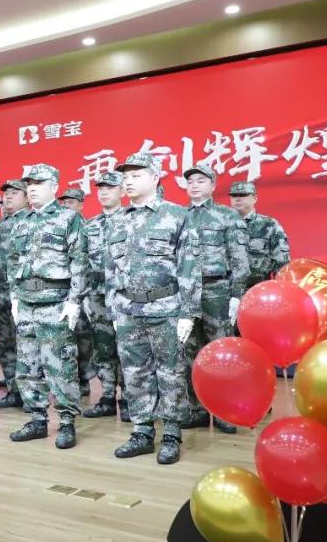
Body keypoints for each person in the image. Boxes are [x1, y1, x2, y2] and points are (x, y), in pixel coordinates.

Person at [108, 153, 201, 465]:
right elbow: (110, 268)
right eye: (125, 176)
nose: (128, 181)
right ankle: (142, 432)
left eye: (136, 175)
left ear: (155, 178)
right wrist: (113, 307)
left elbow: (189, 266)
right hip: (128, 310)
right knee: (134, 373)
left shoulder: (176, 215)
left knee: (170, 372)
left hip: (165, 308)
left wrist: (188, 312)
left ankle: (172, 433)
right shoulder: (117, 220)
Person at [6, 165, 87, 449]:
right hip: (27, 301)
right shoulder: (21, 221)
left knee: (60, 365)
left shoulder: (68, 218)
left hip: (55, 301)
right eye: (29, 183)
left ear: (54, 186)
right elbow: (13, 259)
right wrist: (15, 296)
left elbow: (80, 260)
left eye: (38, 183)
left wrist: (74, 301)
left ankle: (66, 421)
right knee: (27, 364)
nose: (32, 188)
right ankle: (37, 419)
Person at [181, 164, 250, 435]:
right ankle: (196, 410)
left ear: (213, 185)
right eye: (190, 181)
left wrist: (235, 296)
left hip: (216, 290)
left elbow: (240, 261)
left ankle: (224, 411)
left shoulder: (227, 216)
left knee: (221, 354)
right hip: (186, 294)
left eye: (201, 180)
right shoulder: (178, 216)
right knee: (189, 352)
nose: (194, 185)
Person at [81, 172, 127, 421]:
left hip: (124, 297)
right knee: (103, 347)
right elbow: (82, 262)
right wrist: (84, 295)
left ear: (122, 191)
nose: (104, 192)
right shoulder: (90, 225)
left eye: (110, 187)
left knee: (128, 348)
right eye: (101, 188)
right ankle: (108, 397)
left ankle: (129, 399)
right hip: (97, 295)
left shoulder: (131, 220)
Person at [0, 179, 29, 409]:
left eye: (15, 192)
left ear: (27, 197)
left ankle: (32, 394)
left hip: (23, 296)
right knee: (5, 343)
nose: (8, 196)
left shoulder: (32, 222)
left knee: (27, 345)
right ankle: (14, 390)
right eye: (6, 193)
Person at [58, 187, 94, 396]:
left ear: (81, 205)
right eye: (64, 202)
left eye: (71, 202)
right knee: (64, 337)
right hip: (61, 290)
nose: (66, 205)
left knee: (83, 336)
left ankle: (83, 378)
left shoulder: (87, 226)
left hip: (83, 291)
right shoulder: (59, 226)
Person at [228, 181, 290, 289]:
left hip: (257, 290)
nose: (237, 198)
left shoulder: (269, 224)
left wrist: (280, 288)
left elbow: (282, 262)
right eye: (234, 195)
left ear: (255, 198)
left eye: (243, 195)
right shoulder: (221, 225)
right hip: (224, 293)